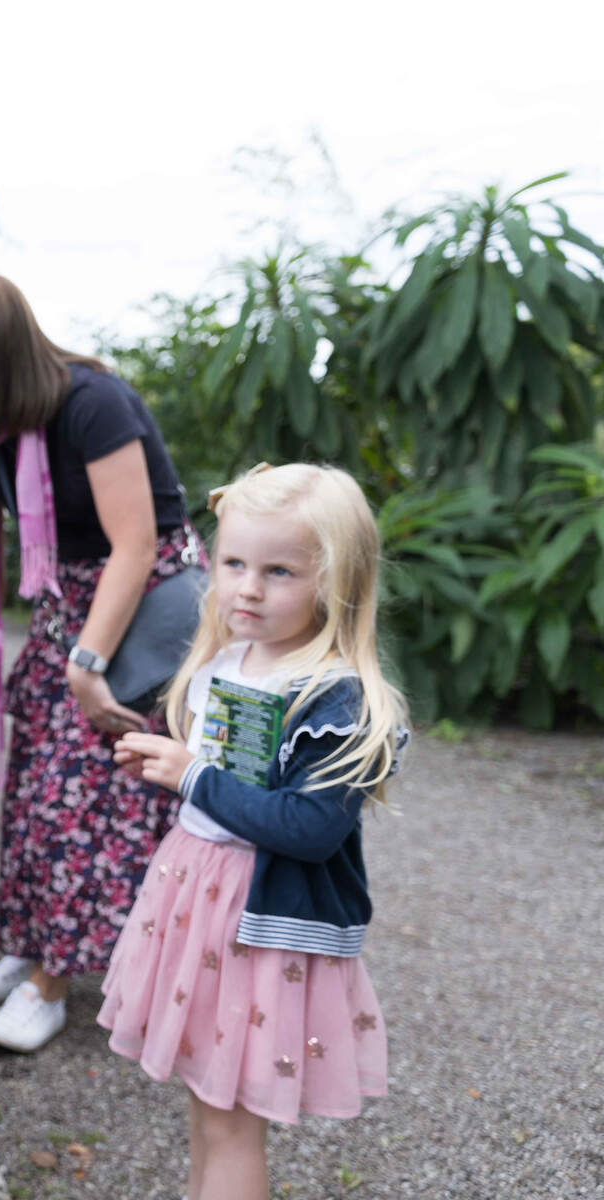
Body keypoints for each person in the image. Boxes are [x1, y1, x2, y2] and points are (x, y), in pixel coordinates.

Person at [101, 463, 408, 1200]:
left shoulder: (336, 695)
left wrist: (193, 778)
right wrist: (174, 767)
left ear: (338, 581)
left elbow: (309, 830)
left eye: (279, 571)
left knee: (233, 1121)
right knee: (209, 1105)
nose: (246, 587)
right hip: (198, 902)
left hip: (260, 926)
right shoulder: (227, 659)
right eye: (234, 562)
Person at [0, 271, 199, 1052]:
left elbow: (137, 545)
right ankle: (30, 942)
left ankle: (54, 982)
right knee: (36, 790)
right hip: (67, 613)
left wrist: (87, 662)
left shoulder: (91, 401)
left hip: (135, 615)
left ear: (2, 344)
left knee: (87, 802)